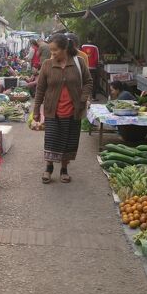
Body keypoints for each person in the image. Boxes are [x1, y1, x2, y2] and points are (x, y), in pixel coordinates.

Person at [33, 33, 92, 184]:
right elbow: (40, 89)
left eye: (55, 51)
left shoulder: (78, 62)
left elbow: (88, 82)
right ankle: (49, 168)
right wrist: (36, 112)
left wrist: (83, 98)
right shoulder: (47, 65)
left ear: (65, 48)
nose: (52, 54)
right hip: (53, 110)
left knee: (68, 141)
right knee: (51, 140)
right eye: (51, 51)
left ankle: (64, 169)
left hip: (73, 110)